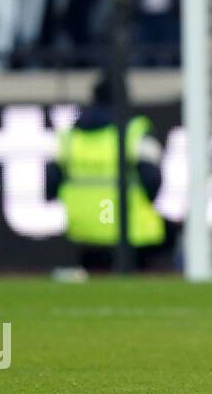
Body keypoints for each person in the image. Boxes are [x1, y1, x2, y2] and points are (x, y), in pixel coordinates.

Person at [47, 77, 168, 272]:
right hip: (131, 231)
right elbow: (152, 179)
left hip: (84, 232)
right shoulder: (135, 131)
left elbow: (50, 184)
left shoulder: (69, 137)